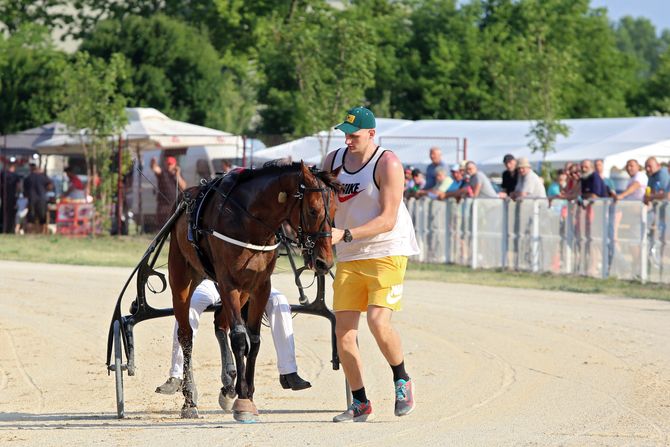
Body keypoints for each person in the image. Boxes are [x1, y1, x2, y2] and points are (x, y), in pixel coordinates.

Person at [324, 106, 419, 423]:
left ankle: (402, 380)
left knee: (378, 322)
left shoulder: (387, 163)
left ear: (371, 134)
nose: (348, 141)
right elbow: (324, 202)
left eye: (354, 135)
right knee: (344, 334)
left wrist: (345, 233)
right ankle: (360, 402)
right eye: (345, 134)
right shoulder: (334, 161)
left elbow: (388, 220)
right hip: (349, 254)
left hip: (386, 250)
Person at [155, 280, 311, 400]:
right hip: (212, 282)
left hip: (250, 283)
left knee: (279, 301)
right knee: (190, 305)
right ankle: (177, 374)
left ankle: (288, 371)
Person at [151, 155, 186, 227]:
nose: (169, 166)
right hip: (163, 203)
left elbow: (183, 187)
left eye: (171, 164)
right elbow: (155, 169)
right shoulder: (162, 172)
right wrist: (153, 162)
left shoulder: (177, 174)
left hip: (174, 202)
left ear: (175, 165)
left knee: (175, 222)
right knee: (162, 223)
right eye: (168, 164)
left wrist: (178, 174)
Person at [23, 163, 53, 234]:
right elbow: (50, 186)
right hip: (42, 200)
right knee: (42, 219)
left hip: (31, 200)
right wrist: (45, 190)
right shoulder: (43, 176)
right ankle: (41, 233)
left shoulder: (28, 178)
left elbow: (24, 191)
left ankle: (30, 234)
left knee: (30, 219)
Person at [0, 162, 21, 233]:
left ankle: (3, 229)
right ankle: (10, 230)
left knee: (3, 213)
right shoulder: (16, 175)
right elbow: (18, 187)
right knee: (11, 214)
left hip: (4, 197)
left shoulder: (2, 174)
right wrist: (18, 194)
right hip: (12, 198)